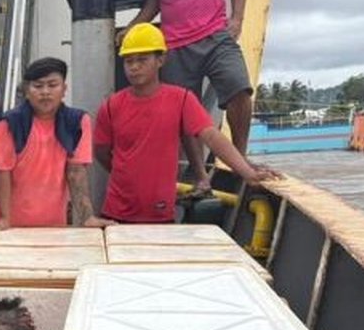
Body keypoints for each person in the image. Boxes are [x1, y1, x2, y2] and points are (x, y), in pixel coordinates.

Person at [122, 0, 254, 188]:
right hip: (175, 43)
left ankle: (240, 159)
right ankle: (199, 174)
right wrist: (133, 26)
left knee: (239, 89)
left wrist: (237, 20)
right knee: (184, 115)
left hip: (214, 33)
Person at [95, 23, 279, 224]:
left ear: (161, 60)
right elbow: (101, 151)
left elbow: (212, 136)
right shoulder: (111, 106)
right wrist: (126, 175)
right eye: (129, 61)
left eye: (142, 59)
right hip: (115, 216)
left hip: (161, 215)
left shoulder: (181, 100)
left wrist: (247, 173)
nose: (134, 67)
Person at [0, 57, 109, 229]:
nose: (45, 92)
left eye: (52, 85)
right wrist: (4, 219)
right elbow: (1, 172)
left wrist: (87, 217)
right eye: (38, 86)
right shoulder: (9, 124)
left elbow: (76, 172)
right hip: (8, 226)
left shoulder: (78, 122)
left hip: (53, 225)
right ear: (27, 91)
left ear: (64, 89)